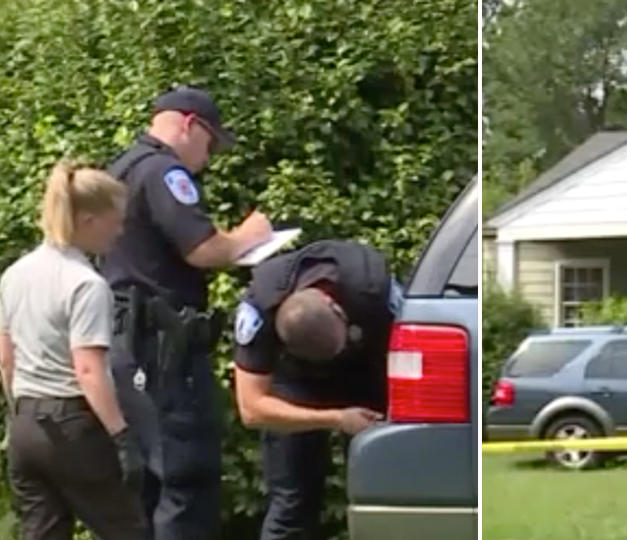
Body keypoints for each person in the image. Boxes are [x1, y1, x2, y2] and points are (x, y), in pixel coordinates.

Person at [100, 86, 272, 539]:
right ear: (190, 126)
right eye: (210, 144)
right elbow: (203, 249)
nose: (208, 159)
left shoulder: (120, 168)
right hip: (163, 348)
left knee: (144, 486)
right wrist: (248, 236)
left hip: (124, 344)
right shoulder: (163, 172)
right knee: (186, 480)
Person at [0, 160, 147, 539]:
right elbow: (88, 370)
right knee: (126, 530)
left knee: (43, 532)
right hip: (71, 425)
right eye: (115, 220)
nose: (120, 230)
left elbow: (5, 357)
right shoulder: (86, 284)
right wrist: (121, 435)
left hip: (25, 424)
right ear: (87, 220)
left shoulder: (15, 274)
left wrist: (18, 414)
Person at [232, 239, 401, 539]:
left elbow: (410, 356)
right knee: (291, 504)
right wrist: (336, 418)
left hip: (368, 370)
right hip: (295, 380)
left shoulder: (373, 285)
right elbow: (252, 409)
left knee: (382, 496)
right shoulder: (261, 304)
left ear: (336, 307)